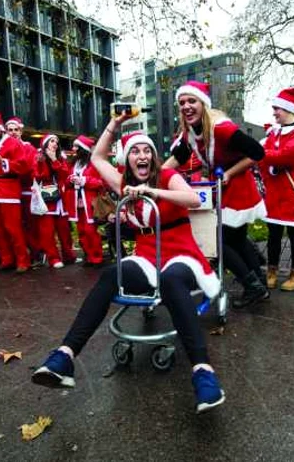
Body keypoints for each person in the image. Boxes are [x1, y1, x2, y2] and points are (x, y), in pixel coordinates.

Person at [32, 116, 226, 414]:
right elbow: (96, 156)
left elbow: (192, 199)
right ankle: (64, 356)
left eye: (146, 151)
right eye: (135, 151)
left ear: (154, 156)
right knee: (112, 274)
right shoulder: (122, 181)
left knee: (173, 280)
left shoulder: (166, 176)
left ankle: (203, 372)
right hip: (147, 256)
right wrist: (114, 122)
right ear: (127, 158)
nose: (142, 156)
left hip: (181, 254)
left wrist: (153, 192)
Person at [163, 80, 268, 308]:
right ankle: (259, 284)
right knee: (237, 240)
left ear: (203, 104)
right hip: (224, 189)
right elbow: (175, 160)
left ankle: (252, 286)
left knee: (218, 243)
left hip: (239, 189)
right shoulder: (190, 133)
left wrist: (230, 172)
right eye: (182, 103)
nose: (186, 106)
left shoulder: (221, 128)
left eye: (192, 101)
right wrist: (156, 179)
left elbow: (258, 152)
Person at [259, 87, 294, 292]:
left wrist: (263, 152)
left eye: (277, 109)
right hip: (275, 192)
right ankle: (271, 271)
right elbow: (266, 161)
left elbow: (286, 156)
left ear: (289, 109)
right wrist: (267, 156)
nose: (274, 113)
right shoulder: (274, 132)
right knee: (273, 234)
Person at [0, 112, 31, 272]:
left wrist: (3, 162)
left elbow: (24, 166)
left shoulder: (14, 144)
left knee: (13, 229)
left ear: (1, 130)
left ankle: (23, 261)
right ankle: (6, 260)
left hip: (8, 189)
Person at [32, 134, 75, 268]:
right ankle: (53, 258)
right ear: (45, 144)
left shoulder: (60, 158)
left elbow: (65, 175)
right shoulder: (38, 158)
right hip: (46, 200)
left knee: (64, 230)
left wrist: (54, 160)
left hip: (61, 199)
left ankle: (69, 256)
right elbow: (38, 176)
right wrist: (44, 162)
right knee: (47, 232)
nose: (55, 143)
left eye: (56, 141)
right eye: (52, 141)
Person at [62, 135, 104, 266]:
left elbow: (101, 183)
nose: (73, 149)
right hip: (77, 204)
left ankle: (97, 258)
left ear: (83, 149)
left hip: (90, 203)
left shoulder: (94, 164)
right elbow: (66, 180)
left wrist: (84, 181)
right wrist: (71, 180)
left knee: (90, 231)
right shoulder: (74, 164)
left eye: (76, 147)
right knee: (81, 232)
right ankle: (89, 256)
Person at [5, 116, 41, 265]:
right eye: (10, 130)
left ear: (21, 131)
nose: (13, 132)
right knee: (12, 226)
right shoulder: (1, 147)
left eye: (16, 130)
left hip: (25, 191)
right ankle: (16, 257)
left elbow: (32, 169)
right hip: (7, 192)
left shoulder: (28, 148)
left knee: (30, 225)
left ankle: (36, 254)